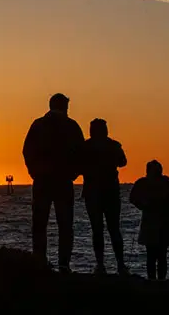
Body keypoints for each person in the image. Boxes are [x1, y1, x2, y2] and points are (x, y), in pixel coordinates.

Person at [22, 93, 85, 273]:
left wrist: (34, 172)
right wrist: (73, 174)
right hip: (63, 182)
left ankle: (39, 262)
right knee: (65, 225)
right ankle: (64, 265)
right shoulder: (72, 126)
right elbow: (81, 152)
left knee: (39, 224)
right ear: (65, 107)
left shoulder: (38, 124)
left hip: (42, 181)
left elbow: (27, 150)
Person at [81, 118, 129, 275]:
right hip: (110, 192)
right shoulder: (113, 146)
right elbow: (123, 162)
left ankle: (101, 265)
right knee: (114, 229)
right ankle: (120, 265)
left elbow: (78, 165)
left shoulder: (86, 147)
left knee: (98, 229)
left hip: (94, 192)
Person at [129, 160, 169, 280]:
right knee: (153, 255)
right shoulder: (145, 183)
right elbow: (133, 198)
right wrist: (142, 205)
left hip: (163, 223)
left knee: (159, 255)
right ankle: (153, 280)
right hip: (151, 223)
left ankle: (159, 280)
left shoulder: (166, 182)